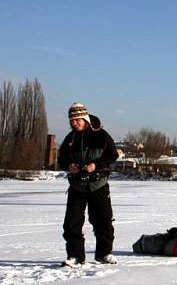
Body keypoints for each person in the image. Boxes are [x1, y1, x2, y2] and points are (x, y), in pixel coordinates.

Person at [57, 102, 119, 267]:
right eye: (72, 121)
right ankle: (75, 256)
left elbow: (112, 155)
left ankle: (104, 253)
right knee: (72, 223)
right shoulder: (70, 139)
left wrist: (95, 165)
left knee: (103, 220)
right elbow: (61, 159)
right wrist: (69, 165)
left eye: (77, 120)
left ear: (84, 118)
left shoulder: (101, 135)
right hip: (77, 186)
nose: (74, 124)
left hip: (98, 184)